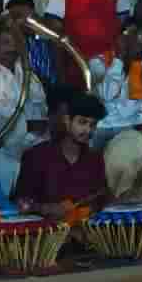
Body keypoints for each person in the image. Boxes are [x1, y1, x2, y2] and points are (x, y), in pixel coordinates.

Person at [14, 92, 110, 221]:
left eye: (93, 125)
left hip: (86, 233)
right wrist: (44, 208)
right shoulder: (36, 156)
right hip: (47, 235)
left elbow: (100, 199)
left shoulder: (95, 159)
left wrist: (90, 209)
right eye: (82, 122)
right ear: (67, 120)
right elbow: (22, 204)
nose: (88, 130)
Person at [0, 15, 49, 163]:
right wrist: (29, 124)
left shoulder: (29, 74)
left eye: (16, 43)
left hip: (39, 144)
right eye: (5, 43)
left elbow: (42, 109)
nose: (12, 48)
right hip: (7, 152)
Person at [88, 23, 142, 150]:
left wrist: (139, 126)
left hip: (129, 127)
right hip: (102, 127)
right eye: (139, 45)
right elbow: (107, 94)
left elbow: (141, 105)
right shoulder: (97, 62)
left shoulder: (141, 67)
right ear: (124, 42)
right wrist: (119, 59)